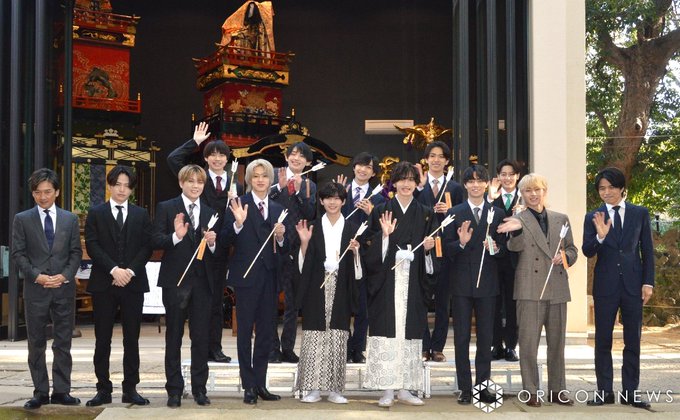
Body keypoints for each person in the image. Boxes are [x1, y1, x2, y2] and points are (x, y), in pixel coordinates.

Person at [497, 173, 578, 408]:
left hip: (557, 287)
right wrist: (517, 230)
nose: (533, 194)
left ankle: (557, 390)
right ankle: (531, 390)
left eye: (537, 189)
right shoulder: (517, 219)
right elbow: (513, 247)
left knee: (557, 344)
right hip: (529, 290)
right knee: (528, 344)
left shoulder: (560, 218)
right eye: (528, 191)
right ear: (522, 194)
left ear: (545, 191)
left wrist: (565, 256)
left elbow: (572, 249)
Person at [363, 161, 437, 407]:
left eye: (411, 179)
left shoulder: (426, 212)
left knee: (410, 331)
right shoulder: (381, 210)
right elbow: (368, 245)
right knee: (387, 330)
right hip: (386, 280)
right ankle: (386, 389)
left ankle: (405, 388)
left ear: (417, 183)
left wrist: (428, 249)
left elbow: (434, 248)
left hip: (413, 280)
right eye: (401, 179)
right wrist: (384, 238)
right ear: (393, 183)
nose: (406, 184)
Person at [167, 121, 239, 364]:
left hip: (219, 249)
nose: (217, 158)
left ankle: (214, 348)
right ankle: (197, 348)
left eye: (222, 154)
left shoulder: (235, 182)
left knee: (216, 301)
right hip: (192, 248)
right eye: (212, 154)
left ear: (227, 159)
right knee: (191, 303)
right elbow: (173, 160)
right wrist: (195, 142)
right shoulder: (197, 178)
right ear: (206, 158)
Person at [583, 167, 654, 409]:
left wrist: (648, 282)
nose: (607, 192)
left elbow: (647, 251)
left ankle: (630, 392)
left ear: (622, 188)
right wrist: (600, 237)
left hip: (634, 286)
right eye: (602, 188)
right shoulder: (593, 217)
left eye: (611, 187)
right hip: (605, 286)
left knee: (633, 340)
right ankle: (604, 392)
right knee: (603, 340)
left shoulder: (640, 213)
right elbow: (587, 250)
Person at [11, 168, 82, 409]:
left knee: (63, 342)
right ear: (33, 194)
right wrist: (37, 276)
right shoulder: (22, 219)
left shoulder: (70, 219)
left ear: (57, 192)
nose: (43, 196)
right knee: (36, 343)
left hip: (63, 289)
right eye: (38, 192)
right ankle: (40, 392)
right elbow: (18, 254)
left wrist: (65, 275)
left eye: (48, 191)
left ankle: (62, 391)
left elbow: (75, 253)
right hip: (36, 290)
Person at [220, 159, 288, 404]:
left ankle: (260, 384)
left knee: (266, 333)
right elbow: (225, 239)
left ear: (270, 180)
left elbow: (286, 247)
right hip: (246, 277)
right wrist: (238, 224)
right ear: (249, 179)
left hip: (269, 277)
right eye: (256, 176)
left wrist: (281, 237)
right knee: (244, 332)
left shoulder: (279, 208)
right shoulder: (238, 203)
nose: (260, 180)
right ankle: (248, 385)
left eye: (265, 176)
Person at [84, 166, 152, 406]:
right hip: (104, 283)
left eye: (127, 185)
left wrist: (129, 272)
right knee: (102, 339)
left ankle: (130, 388)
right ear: (110, 186)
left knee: (131, 338)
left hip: (133, 284)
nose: (122, 189)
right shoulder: (96, 213)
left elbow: (147, 246)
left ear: (131, 189)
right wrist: (114, 270)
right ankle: (103, 389)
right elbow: (92, 245)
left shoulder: (141, 214)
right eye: (118, 184)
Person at [152, 164, 219, 408]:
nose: (195, 186)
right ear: (181, 183)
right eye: (190, 181)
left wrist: (212, 243)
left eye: (199, 182)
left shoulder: (211, 212)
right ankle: (174, 389)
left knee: (201, 337)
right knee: (174, 336)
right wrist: (176, 236)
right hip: (175, 282)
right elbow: (155, 239)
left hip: (202, 283)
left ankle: (200, 388)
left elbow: (217, 251)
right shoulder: (167, 207)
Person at [294, 182, 363, 404]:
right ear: (321, 201)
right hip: (316, 285)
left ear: (343, 201)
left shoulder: (352, 228)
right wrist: (304, 242)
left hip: (342, 285)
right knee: (314, 336)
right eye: (328, 198)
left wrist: (356, 252)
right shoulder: (312, 227)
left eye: (337, 198)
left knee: (338, 336)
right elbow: (303, 263)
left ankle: (335, 390)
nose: (332, 202)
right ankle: (313, 388)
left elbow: (358, 269)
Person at [443, 165, 505, 405]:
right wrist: (460, 243)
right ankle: (465, 388)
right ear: (465, 185)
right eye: (471, 181)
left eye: (480, 181)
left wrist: (495, 248)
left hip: (487, 284)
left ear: (487, 184)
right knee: (461, 338)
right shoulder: (454, 212)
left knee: (485, 337)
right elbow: (445, 248)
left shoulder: (497, 213)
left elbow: (504, 251)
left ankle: (482, 386)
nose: (476, 185)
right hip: (461, 284)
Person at [415, 141, 464, 362]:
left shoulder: (455, 188)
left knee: (444, 302)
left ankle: (438, 347)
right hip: (424, 249)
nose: (436, 160)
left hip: (447, 251)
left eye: (440, 156)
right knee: (422, 300)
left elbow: (463, 215)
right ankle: (424, 345)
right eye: (432, 156)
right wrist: (419, 190)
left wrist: (450, 210)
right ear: (426, 159)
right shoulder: (418, 186)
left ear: (447, 161)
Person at [268, 142, 317, 363]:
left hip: (295, 248)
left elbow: (310, 213)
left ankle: (287, 347)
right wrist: (279, 188)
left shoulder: (308, 185)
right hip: (271, 245)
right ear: (286, 157)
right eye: (293, 154)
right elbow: (263, 202)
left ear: (308, 162)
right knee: (269, 299)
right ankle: (271, 347)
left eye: (302, 156)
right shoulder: (273, 174)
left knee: (292, 302)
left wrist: (298, 192)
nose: (296, 158)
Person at [337, 152, 385, 364]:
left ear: (373, 173)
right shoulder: (341, 191)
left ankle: (358, 348)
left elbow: (383, 230)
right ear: (354, 167)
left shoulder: (379, 198)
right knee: (343, 303)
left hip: (365, 256)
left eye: (368, 167)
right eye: (360, 165)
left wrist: (371, 212)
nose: (363, 169)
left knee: (363, 305)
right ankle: (344, 347)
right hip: (342, 253)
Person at [487, 159, 522, 362]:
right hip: (494, 259)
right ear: (498, 177)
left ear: (517, 176)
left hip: (517, 261)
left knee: (512, 304)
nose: (507, 178)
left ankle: (511, 346)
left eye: (511, 174)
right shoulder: (492, 199)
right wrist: (490, 200)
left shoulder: (524, 198)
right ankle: (495, 345)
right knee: (494, 303)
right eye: (503, 174)